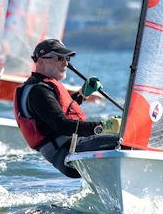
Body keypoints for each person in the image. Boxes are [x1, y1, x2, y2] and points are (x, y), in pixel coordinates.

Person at [14, 38, 122, 178]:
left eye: (67, 58)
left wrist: (82, 94)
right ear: (40, 62)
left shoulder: (40, 87)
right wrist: (103, 126)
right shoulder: (39, 91)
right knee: (126, 144)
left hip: (66, 149)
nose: (65, 63)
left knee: (125, 141)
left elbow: (58, 109)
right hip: (67, 151)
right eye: (59, 58)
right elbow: (61, 124)